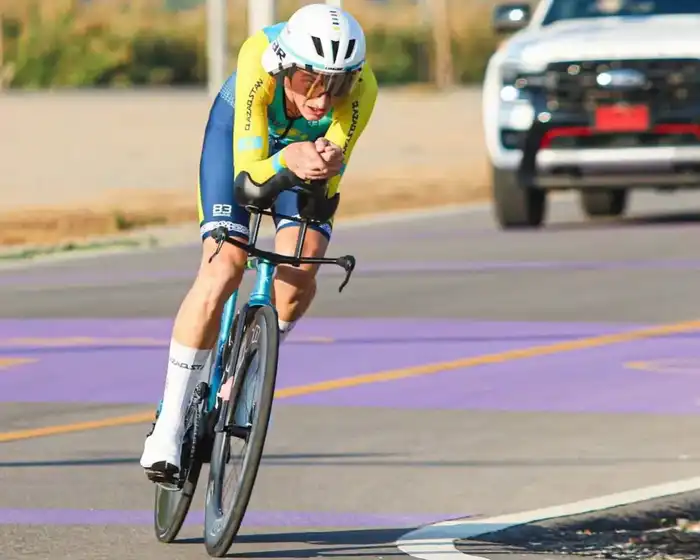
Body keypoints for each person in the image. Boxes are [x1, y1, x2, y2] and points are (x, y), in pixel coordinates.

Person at [139, 3, 378, 483]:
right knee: (225, 266)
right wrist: (289, 157)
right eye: (310, 81)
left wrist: (324, 164)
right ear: (285, 66)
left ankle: (251, 368)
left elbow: (326, 188)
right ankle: (168, 424)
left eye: (338, 84)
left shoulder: (364, 89)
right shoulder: (257, 57)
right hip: (240, 141)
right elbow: (249, 177)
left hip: (299, 159)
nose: (322, 98)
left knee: (300, 269)